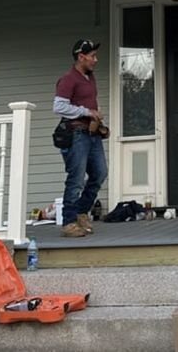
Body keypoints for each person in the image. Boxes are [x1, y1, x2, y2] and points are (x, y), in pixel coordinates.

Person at [53, 39, 108, 238]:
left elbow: (87, 103)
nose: (95, 59)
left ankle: (81, 212)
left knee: (100, 173)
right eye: (92, 56)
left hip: (92, 133)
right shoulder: (68, 79)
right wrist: (87, 112)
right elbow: (59, 107)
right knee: (75, 179)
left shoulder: (89, 77)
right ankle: (68, 222)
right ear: (80, 56)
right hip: (76, 134)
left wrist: (96, 118)